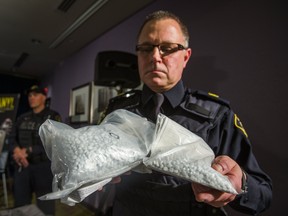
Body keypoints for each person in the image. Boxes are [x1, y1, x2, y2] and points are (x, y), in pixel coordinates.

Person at [103, 10, 272, 216]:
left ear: (186, 56)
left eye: (167, 48)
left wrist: (240, 185)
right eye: (146, 48)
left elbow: (263, 194)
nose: (155, 57)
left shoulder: (217, 115)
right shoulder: (118, 110)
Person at [10, 85, 61, 215]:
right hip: (23, 166)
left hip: (43, 168)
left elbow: (53, 143)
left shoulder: (53, 117)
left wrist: (27, 151)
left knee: (46, 208)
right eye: (30, 95)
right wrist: (17, 151)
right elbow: (11, 137)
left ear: (44, 97)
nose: (32, 98)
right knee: (20, 205)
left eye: (35, 95)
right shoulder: (22, 118)